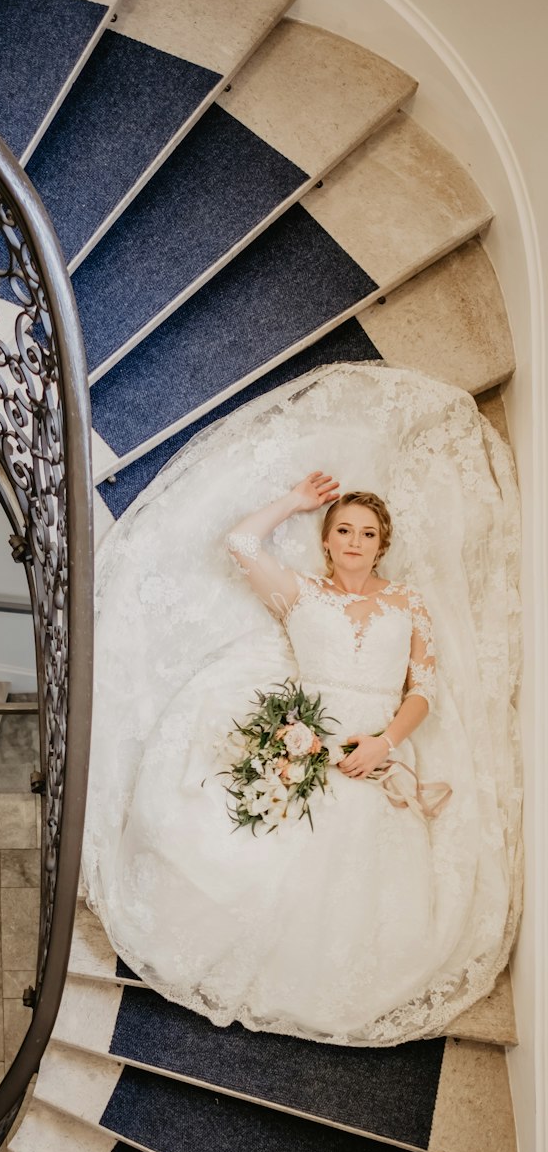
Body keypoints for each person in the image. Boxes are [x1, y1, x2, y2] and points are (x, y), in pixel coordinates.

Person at [82, 363, 520, 1046]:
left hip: (373, 742)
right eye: (343, 530)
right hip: (308, 737)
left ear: (383, 546)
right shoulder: (300, 595)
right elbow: (238, 543)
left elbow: (424, 688)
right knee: (266, 863)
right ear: (327, 539)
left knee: (362, 890)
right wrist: (292, 499)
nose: (354, 542)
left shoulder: (406, 602)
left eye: (367, 535)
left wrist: (386, 742)